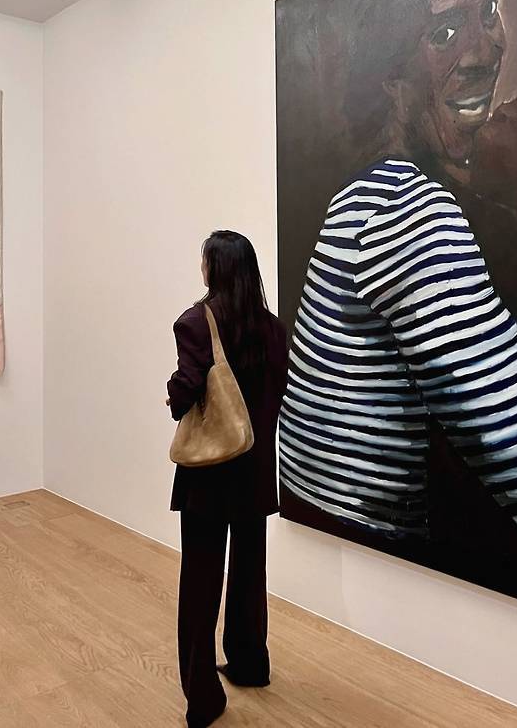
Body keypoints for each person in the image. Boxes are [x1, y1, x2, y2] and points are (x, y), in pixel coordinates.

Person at [338, 0, 517, 519]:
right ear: (392, 83)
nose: (485, 50)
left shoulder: (426, 198)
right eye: (444, 32)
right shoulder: (427, 226)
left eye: (490, 10)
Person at [166, 231, 288, 728]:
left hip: (210, 474)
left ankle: (203, 698)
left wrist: (172, 395)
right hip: (254, 470)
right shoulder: (273, 327)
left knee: (200, 580)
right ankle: (250, 663)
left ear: (214, 267)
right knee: (249, 572)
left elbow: (187, 387)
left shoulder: (196, 322)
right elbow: (276, 393)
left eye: (204, 260)